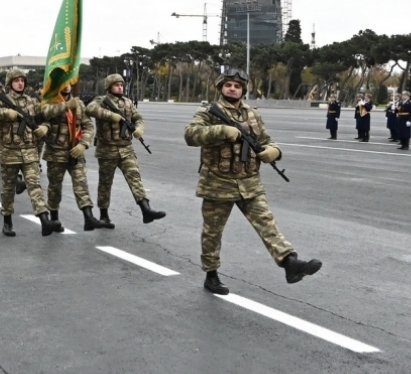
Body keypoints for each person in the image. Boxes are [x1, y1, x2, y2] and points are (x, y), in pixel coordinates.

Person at [183, 68, 321, 295]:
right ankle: (211, 275)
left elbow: (265, 139)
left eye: (237, 86)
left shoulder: (252, 114)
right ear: (220, 88)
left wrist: (274, 150)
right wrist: (221, 130)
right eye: (228, 85)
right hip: (218, 183)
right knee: (212, 233)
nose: (232, 88)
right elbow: (191, 135)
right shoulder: (208, 112)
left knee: (267, 223)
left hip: (250, 182)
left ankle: (290, 263)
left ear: (243, 90)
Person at [0, 68, 62, 237]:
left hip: (30, 152)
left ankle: (44, 219)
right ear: (10, 82)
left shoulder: (31, 102)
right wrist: (6, 113)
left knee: (34, 185)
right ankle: (7, 221)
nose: (20, 83)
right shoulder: (2, 101)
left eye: (22, 80)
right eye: (17, 80)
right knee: (8, 189)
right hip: (9, 152)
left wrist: (45, 127)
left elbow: (44, 116)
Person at [86, 74, 165, 227]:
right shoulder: (101, 101)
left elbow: (138, 118)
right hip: (107, 149)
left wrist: (139, 129)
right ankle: (104, 216)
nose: (120, 87)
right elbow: (90, 110)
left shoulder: (128, 102)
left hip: (126, 148)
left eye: (121, 85)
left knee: (134, 177)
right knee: (105, 183)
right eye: (116, 85)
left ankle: (146, 209)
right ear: (109, 87)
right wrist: (111, 116)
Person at [40, 84, 106, 231]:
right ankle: (54, 219)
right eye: (64, 82)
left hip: (75, 152)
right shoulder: (49, 101)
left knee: (81, 184)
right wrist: (65, 106)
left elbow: (88, 126)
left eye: (70, 82)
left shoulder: (79, 104)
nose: (67, 86)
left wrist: (83, 144)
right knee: (55, 188)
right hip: (56, 153)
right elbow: (45, 114)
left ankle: (88, 217)